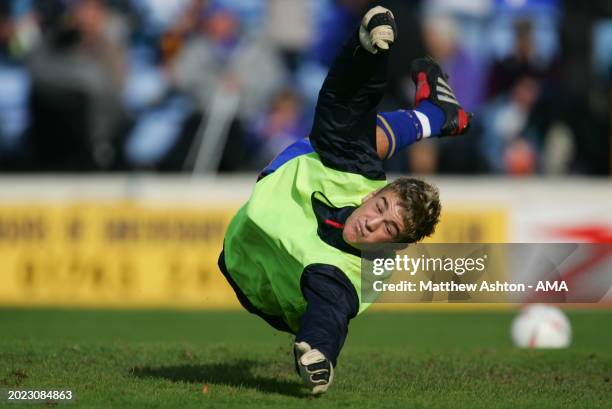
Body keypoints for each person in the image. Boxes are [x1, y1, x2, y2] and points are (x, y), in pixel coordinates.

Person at [218, 6, 471, 395]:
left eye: (387, 228)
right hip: (297, 179)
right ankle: (435, 114)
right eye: (379, 207)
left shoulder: (350, 275)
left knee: (356, 140)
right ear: (373, 194)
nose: (371, 222)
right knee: (351, 134)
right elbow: (344, 102)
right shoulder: (359, 181)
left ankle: (435, 116)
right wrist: (366, 48)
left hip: (257, 283)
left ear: (394, 245)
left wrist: (320, 354)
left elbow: (330, 315)